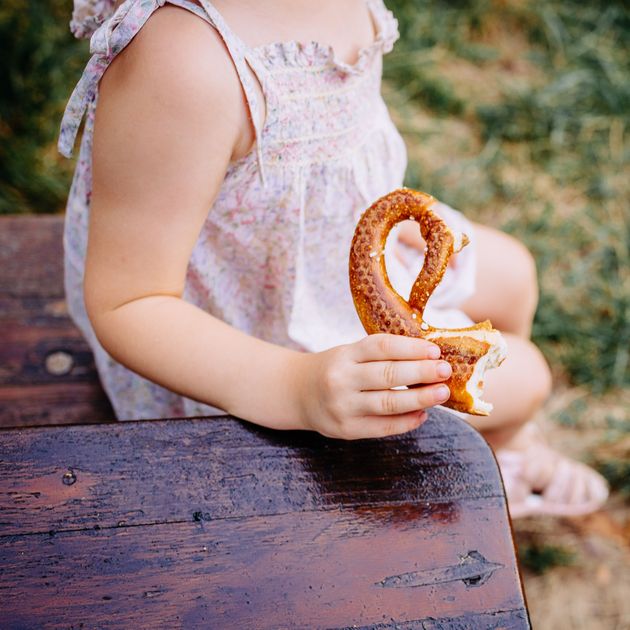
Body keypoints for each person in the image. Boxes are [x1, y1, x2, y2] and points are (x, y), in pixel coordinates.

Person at [60, 0, 608, 517]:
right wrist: (296, 387)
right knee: (527, 375)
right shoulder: (182, 62)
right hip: (260, 348)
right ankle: (494, 446)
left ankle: (502, 441)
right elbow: (127, 301)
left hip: (328, 258)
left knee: (513, 275)